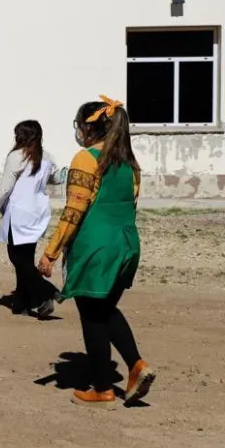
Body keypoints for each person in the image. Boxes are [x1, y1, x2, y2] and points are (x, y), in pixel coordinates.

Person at [38, 96, 155, 408]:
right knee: (105, 311)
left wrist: (51, 251)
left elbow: (74, 210)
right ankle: (136, 366)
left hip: (96, 246)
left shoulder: (85, 159)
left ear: (90, 128)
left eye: (80, 126)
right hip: (127, 244)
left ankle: (103, 387)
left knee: (91, 314)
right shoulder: (131, 164)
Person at [0, 120, 64, 318]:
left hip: (18, 213)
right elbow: (55, 178)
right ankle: (21, 303)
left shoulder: (16, 156)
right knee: (26, 256)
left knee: (17, 257)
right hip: (37, 213)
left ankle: (47, 291)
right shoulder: (47, 157)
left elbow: (5, 187)